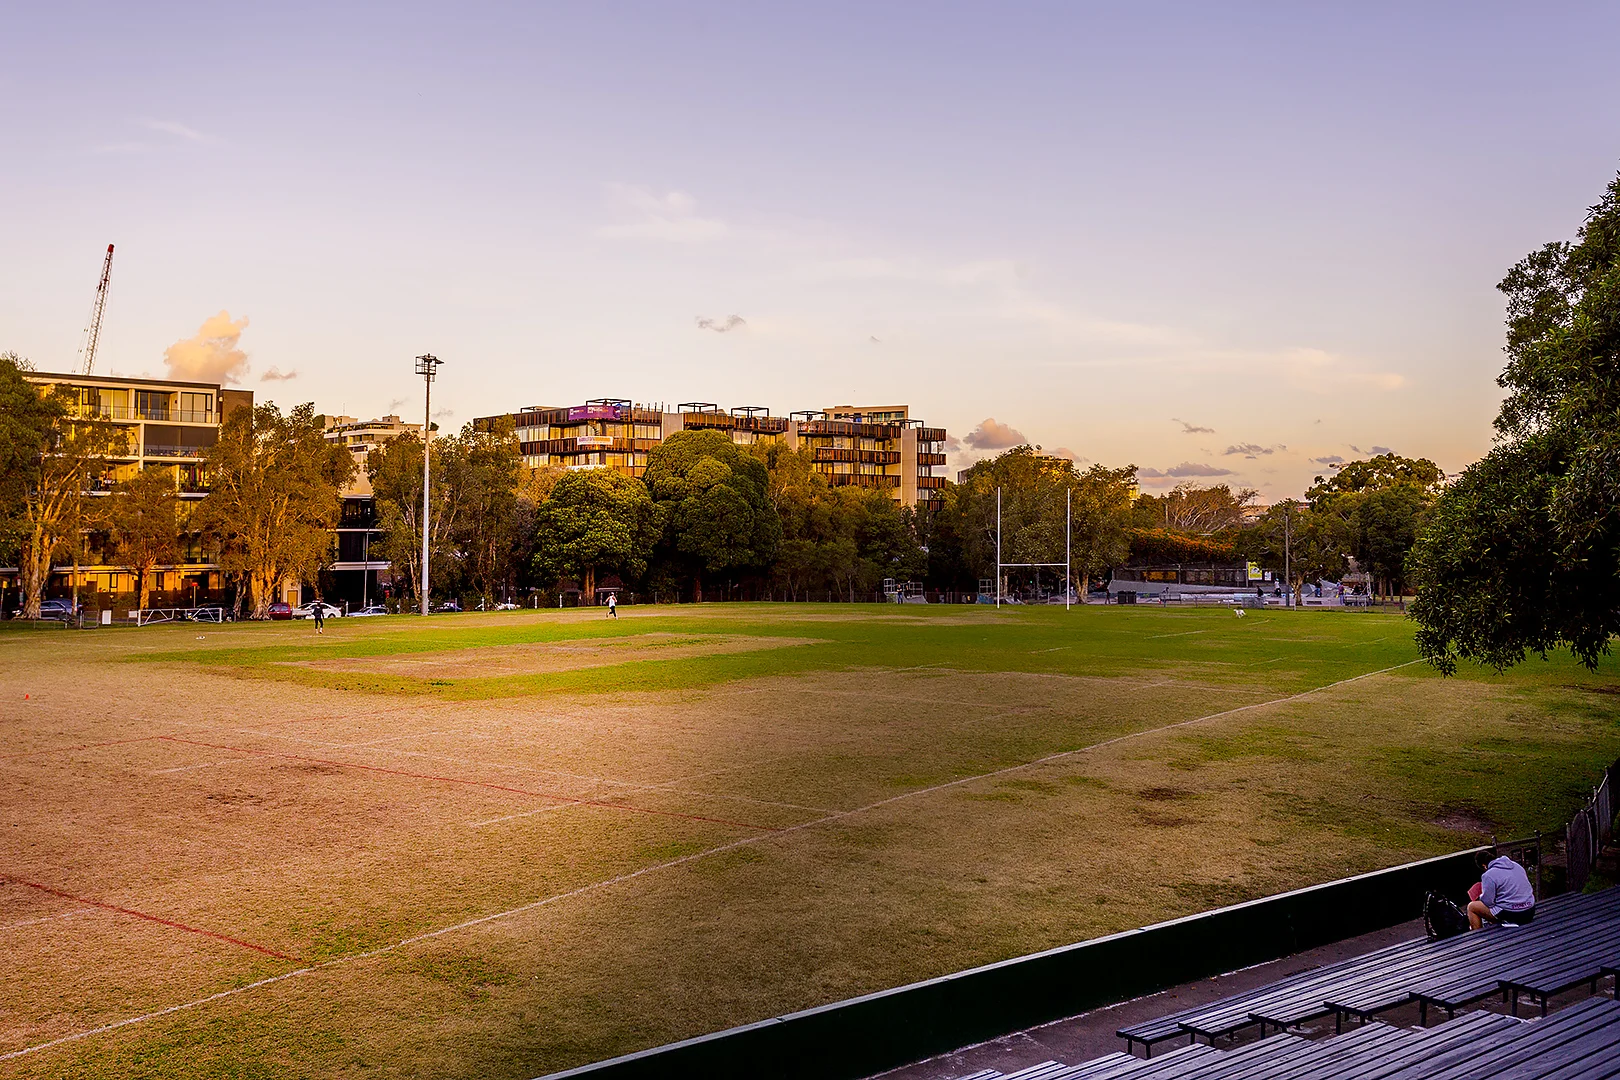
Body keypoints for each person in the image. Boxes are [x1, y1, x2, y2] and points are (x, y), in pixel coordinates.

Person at [1468, 850, 1535, 929]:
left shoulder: (1488, 875)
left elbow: (1488, 902)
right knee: (1498, 906)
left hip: (1514, 915)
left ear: (1484, 866)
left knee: (1472, 907)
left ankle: (1478, 937)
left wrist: (1481, 896)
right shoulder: (1516, 865)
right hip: (1530, 911)